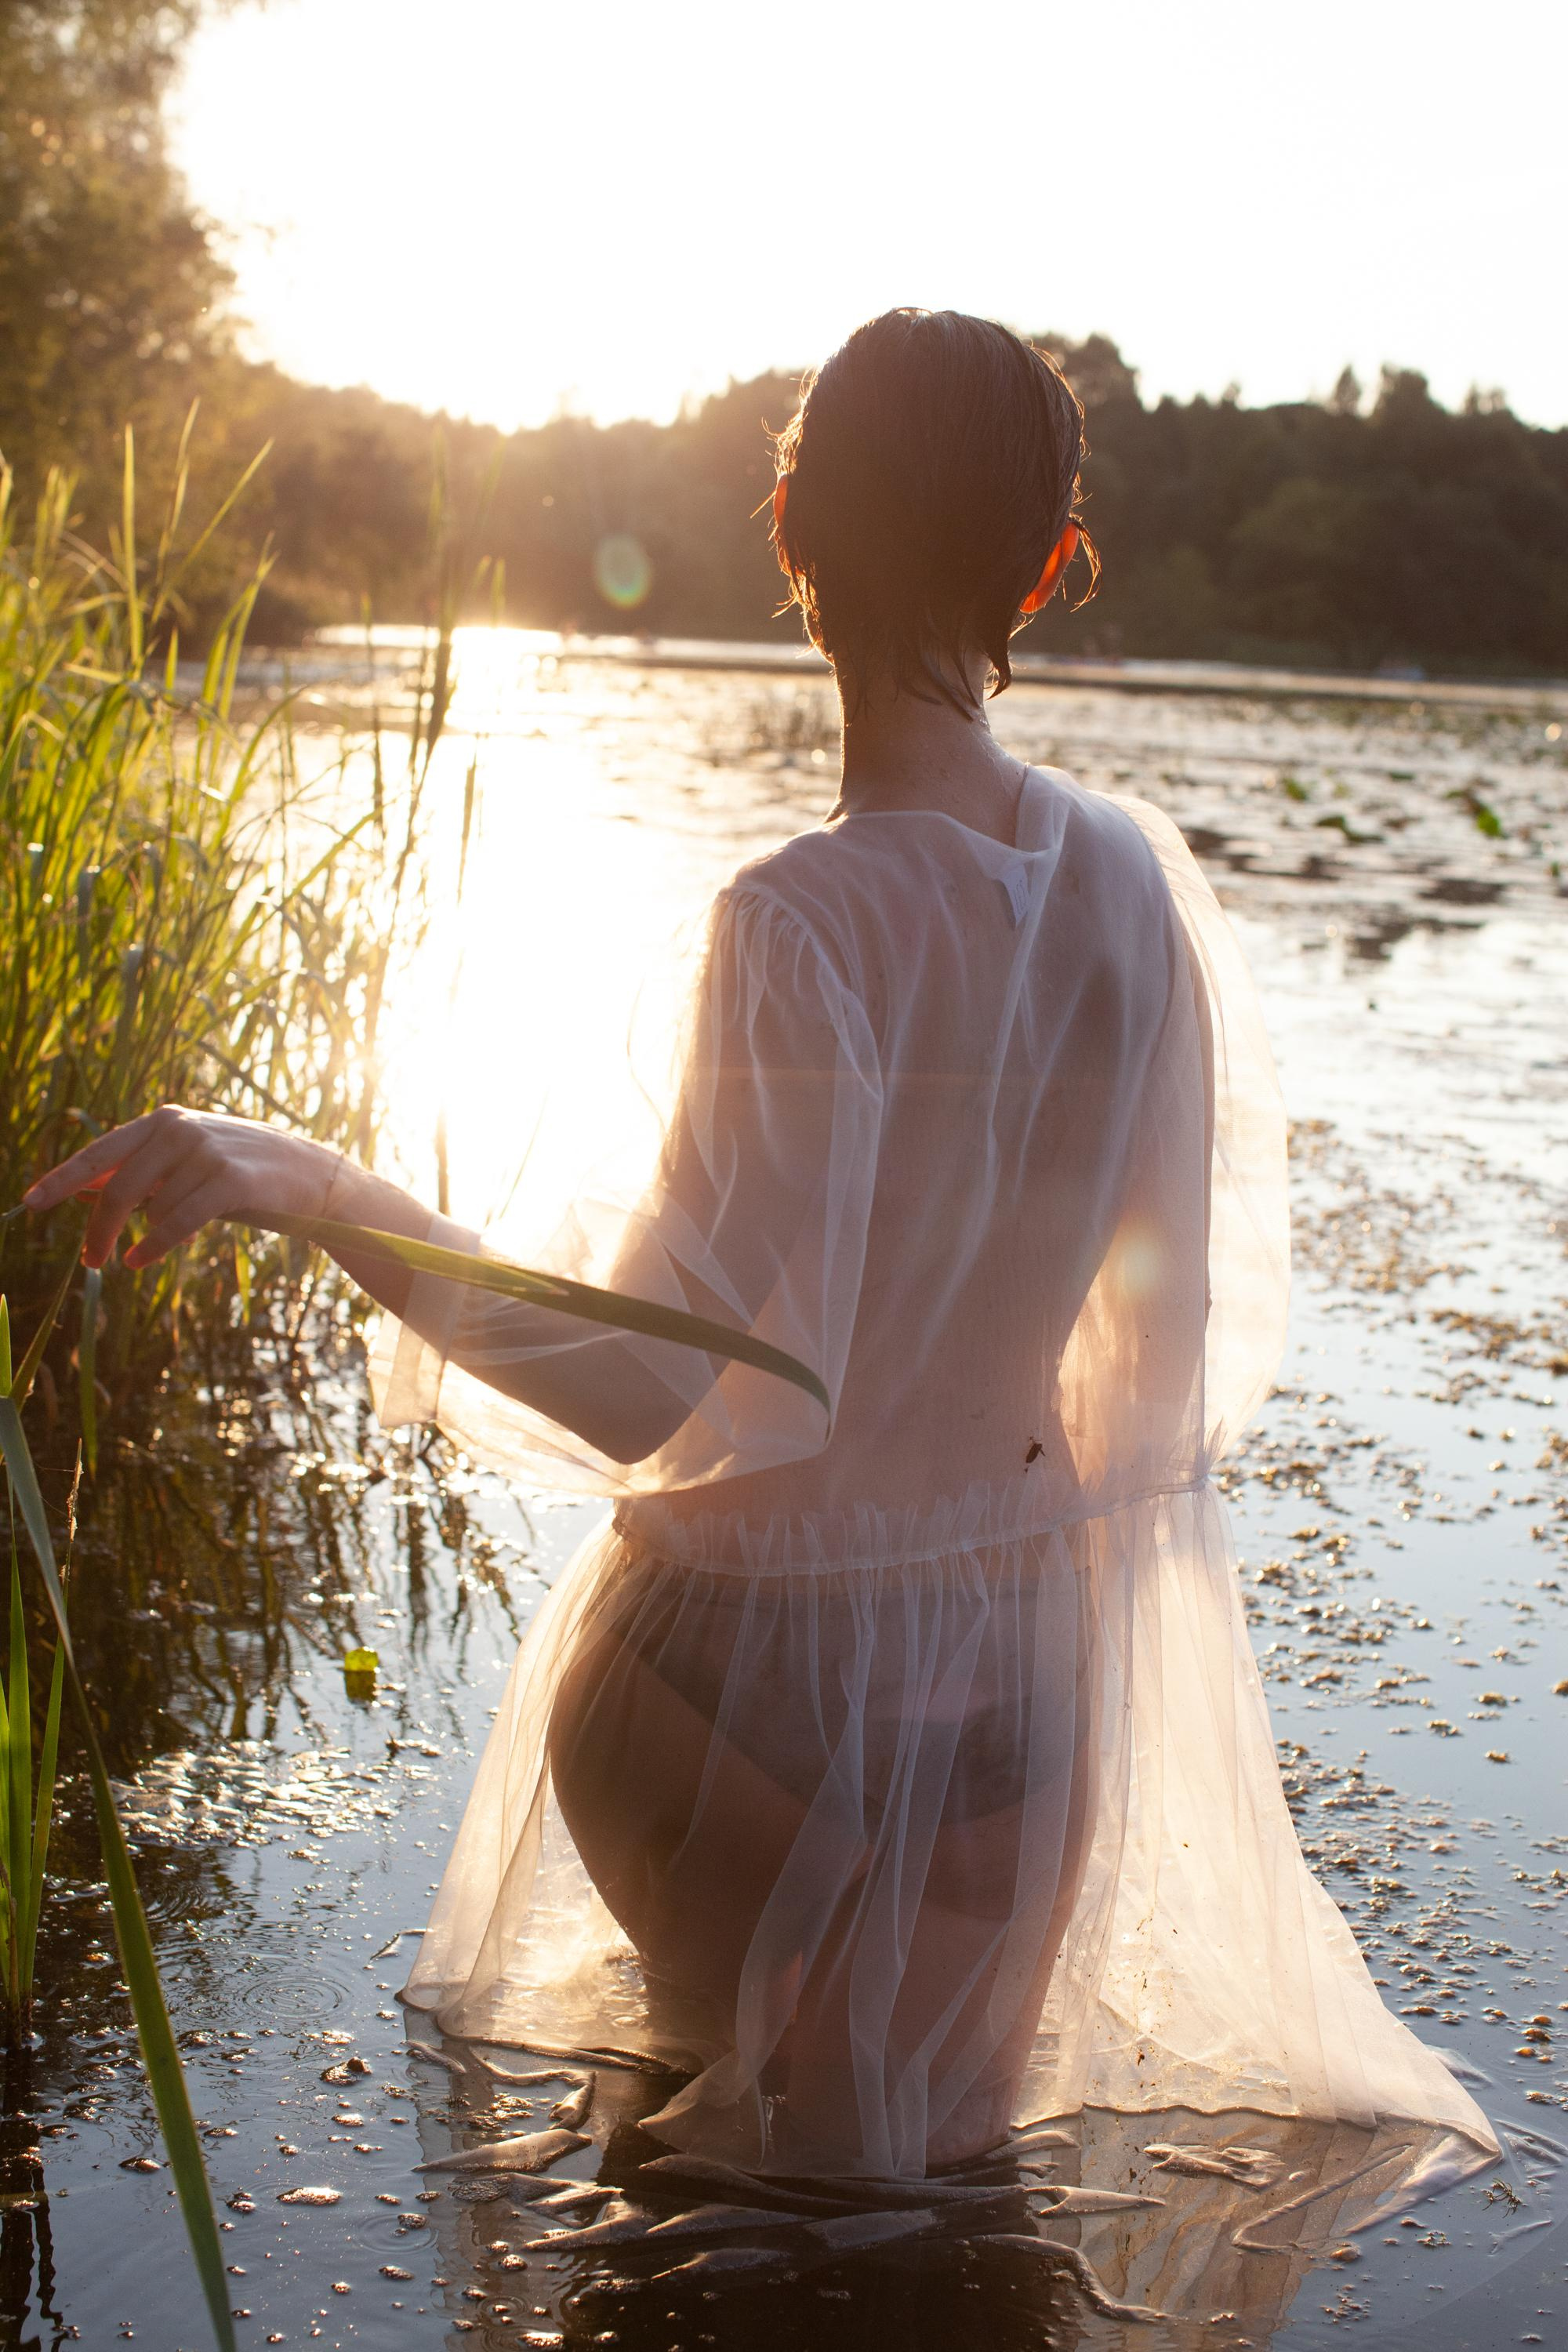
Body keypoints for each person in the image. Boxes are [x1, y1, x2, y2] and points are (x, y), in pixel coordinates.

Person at [24, 309, 1496, 2182]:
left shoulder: (797, 920)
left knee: (696, 2205)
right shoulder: (1136, 884)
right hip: (1021, 1687)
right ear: (1050, 566)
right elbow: (1155, 1355)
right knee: (931, 2194)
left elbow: (638, 1390)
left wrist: (312, 1182)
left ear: (790, 525)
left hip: (738, 1680)